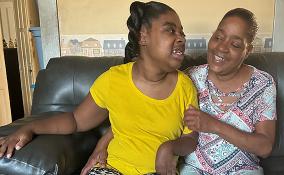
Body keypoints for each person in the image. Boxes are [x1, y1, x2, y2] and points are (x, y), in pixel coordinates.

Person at [0, 1, 199, 175]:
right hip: (112, 169)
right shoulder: (113, 80)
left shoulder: (185, 86)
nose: (181, 37)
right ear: (143, 36)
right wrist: (30, 128)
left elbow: (191, 138)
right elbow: (75, 121)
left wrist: (169, 148)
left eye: (182, 32)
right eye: (171, 30)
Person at [83, 7, 277, 175]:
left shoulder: (263, 84)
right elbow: (138, 114)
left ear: (248, 50)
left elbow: (265, 147)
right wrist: (102, 145)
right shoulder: (188, 78)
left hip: (243, 170)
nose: (222, 48)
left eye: (235, 44)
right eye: (218, 37)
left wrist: (214, 125)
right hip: (193, 169)